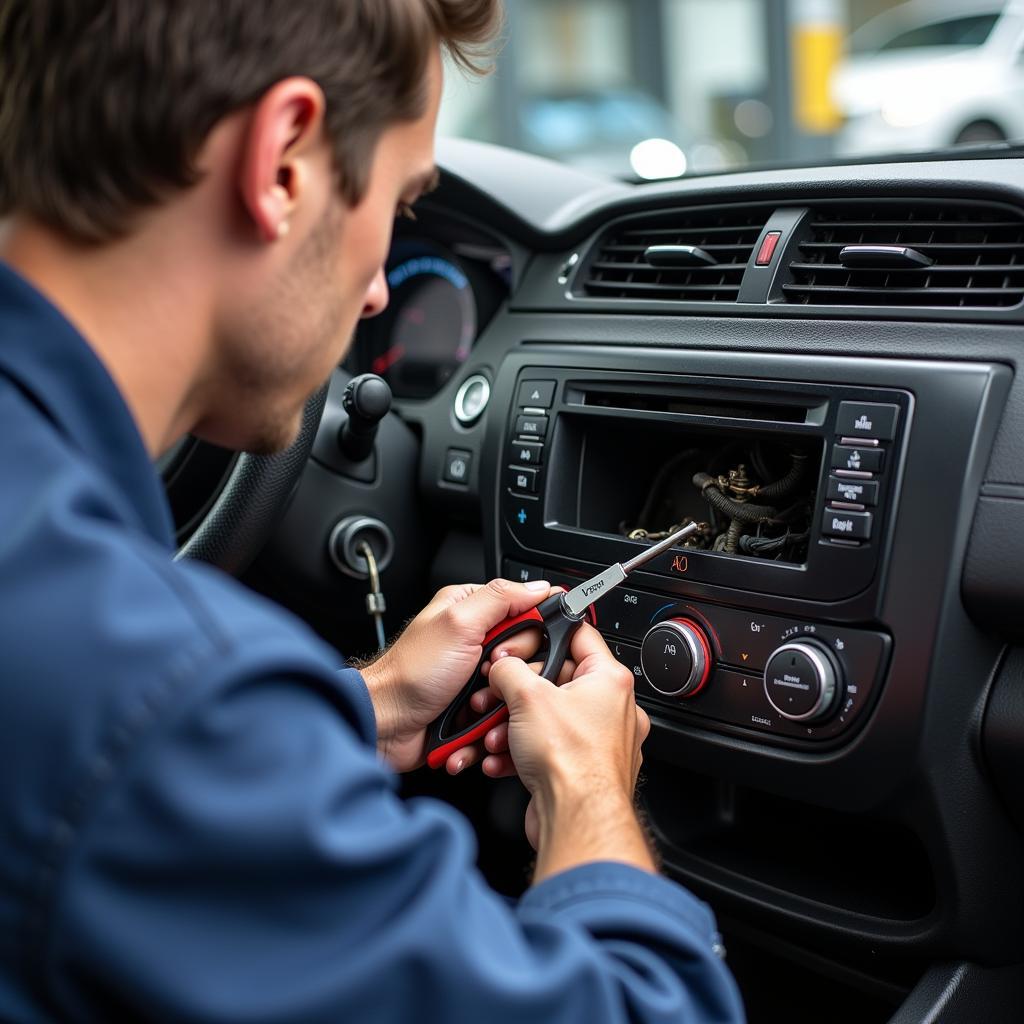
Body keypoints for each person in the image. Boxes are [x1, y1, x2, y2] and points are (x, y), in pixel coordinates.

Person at [0, 1, 745, 1021]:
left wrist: (365, 703)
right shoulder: (164, 698)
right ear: (283, 162)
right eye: (397, 204)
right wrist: (587, 789)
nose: (375, 295)